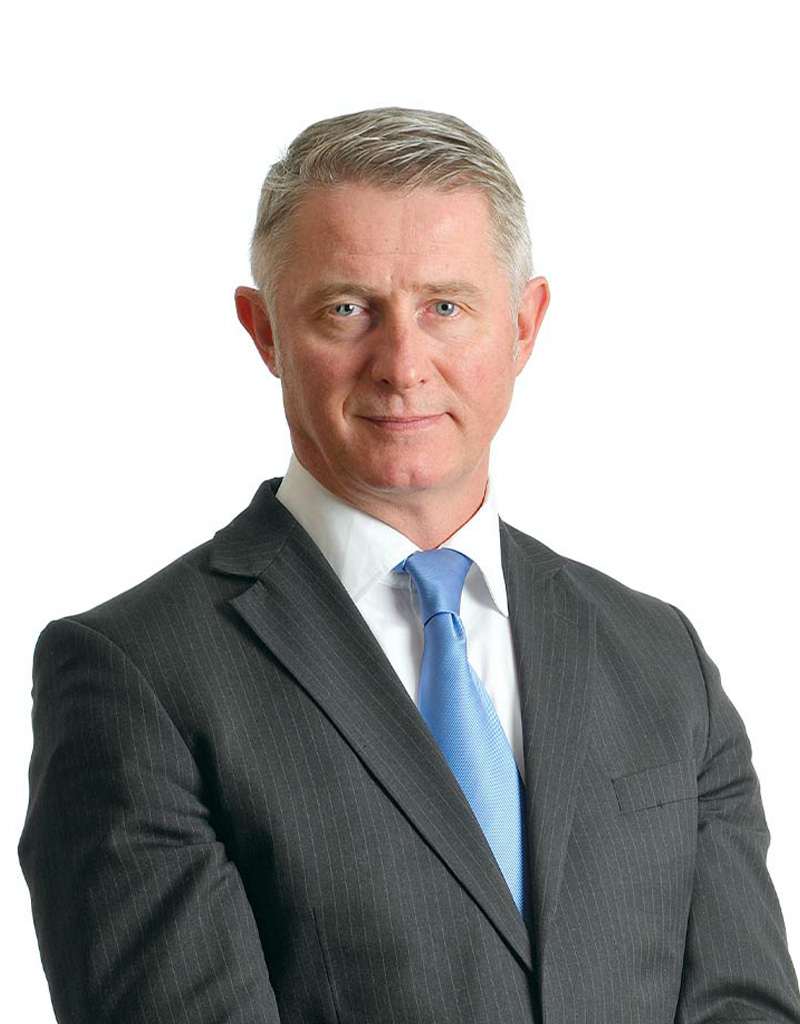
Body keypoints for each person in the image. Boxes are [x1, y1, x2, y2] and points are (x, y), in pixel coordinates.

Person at [19, 106, 800, 1024]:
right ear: (264, 331)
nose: (402, 364)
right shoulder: (136, 675)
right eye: (346, 309)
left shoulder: (661, 659)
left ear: (524, 325)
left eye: (445, 307)